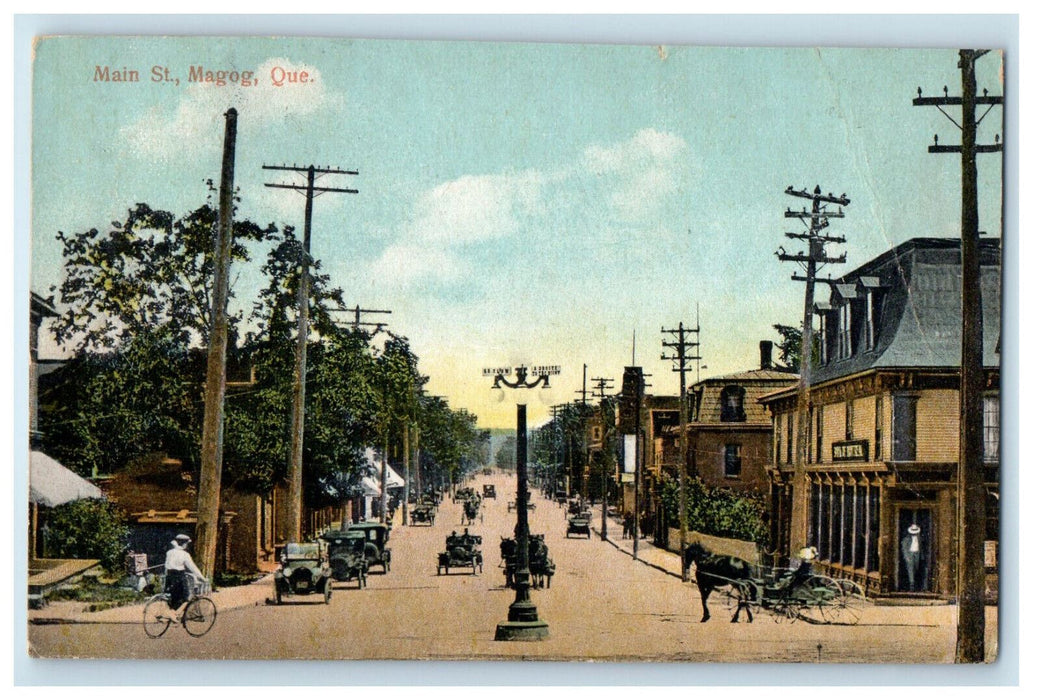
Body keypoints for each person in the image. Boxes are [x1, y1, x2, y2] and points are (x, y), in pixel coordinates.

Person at [163, 534, 205, 620]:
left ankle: (170, 614)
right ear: (184, 544)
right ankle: (174, 614)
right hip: (179, 577)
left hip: (169, 576)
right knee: (186, 598)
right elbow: (192, 567)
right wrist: (201, 577)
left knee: (173, 597)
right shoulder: (184, 554)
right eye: (186, 543)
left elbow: (166, 565)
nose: (187, 545)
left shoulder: (169, 552)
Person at [901, 524, 923, 591]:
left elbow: (921, 548)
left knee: (916, 568)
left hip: (917, 555)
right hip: (910, 555)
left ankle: (915, 585)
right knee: (910, 570)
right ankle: (911, 585)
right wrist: (907, 557)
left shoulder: (920, 539)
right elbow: (904, 549)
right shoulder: (906, 539)